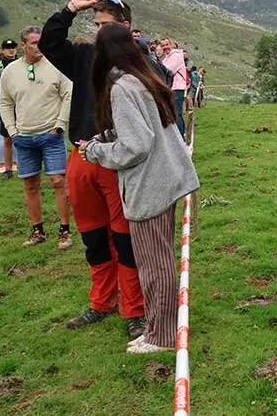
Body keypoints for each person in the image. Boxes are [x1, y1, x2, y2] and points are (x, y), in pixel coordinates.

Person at [80, 23, 199, 354]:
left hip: (151, 186)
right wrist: (106, 138)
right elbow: (148, 130)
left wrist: (96, 151)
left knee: (153, 263)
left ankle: (161, 336)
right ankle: (163, 324)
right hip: (168, 177)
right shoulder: (144, 77)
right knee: (159, 258)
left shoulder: (121, 87)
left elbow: (136, 146)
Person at [39, 0, 147, 340]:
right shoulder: (84, 56)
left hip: (117, 159)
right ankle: (102, 302)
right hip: (81, 156)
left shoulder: (138, 62)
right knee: (94, 237)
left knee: (125, 237)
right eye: (96, 24)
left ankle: (134, 310)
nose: (99, 31)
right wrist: (70, 9)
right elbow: (49, 43)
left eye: (106, 25)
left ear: (126, 27)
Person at [0, 27, 73, 249]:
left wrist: (60, 125)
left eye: (40, 42)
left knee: (58, 181)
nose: (38, 46)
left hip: (51, 134)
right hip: (24, 137)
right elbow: (5, 102)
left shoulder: (55, 65)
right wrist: (12, 130)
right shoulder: (11, 71)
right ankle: (37, 230)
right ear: (24, 46)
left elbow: (69, 93)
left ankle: (64, 231)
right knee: (30, 184)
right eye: (33, 43)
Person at [0, 39, 19, 177]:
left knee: (24, 136)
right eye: (8, 48)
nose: (11, 50)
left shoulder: (23, 63)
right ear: (3, 50)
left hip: (22, 105)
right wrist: (5, 95)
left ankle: (22, 165)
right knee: (7, 137)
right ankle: (7, 168)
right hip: (7, 106)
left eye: (13, 47)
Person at [159, 39, 189, 137]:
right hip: (173, 87)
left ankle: (180, 137)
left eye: (167, 44)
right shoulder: (167, 57)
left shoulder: (175, 56)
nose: (165, 47)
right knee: (176, 113)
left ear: (171, 45)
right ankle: (182, 134)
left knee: (176, 114)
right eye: (163, 45)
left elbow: (167, 70)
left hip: (176, 87)